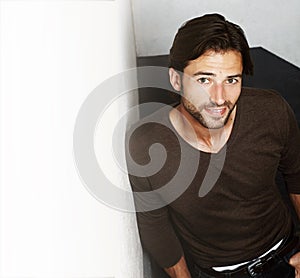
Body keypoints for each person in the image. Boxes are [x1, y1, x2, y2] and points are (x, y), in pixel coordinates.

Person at [126, 13, 300, 277]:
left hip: (287, 251)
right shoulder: (146, 144)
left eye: (231, 80)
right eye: (204, 80)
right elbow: (155, 226)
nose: (219, 99)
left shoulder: (271, 111)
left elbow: (297, 177)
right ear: (176, 80)